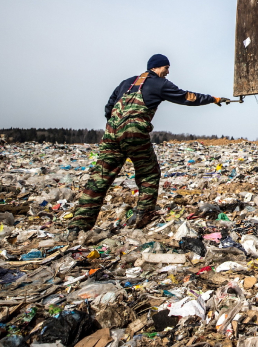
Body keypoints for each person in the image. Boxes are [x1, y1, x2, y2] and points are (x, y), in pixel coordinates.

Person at [68, 54, 222, 239]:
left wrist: (116, 125)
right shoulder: (159, 83)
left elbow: (109, 108)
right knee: (149, 173)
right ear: (156, 67)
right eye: (166, 68)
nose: (168, 72)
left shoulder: (127, 82)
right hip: (134, 132)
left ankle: (77, 227)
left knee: (100, 177)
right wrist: (213, 99)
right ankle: (142, 215)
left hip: (111, 133)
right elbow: (187, 97)